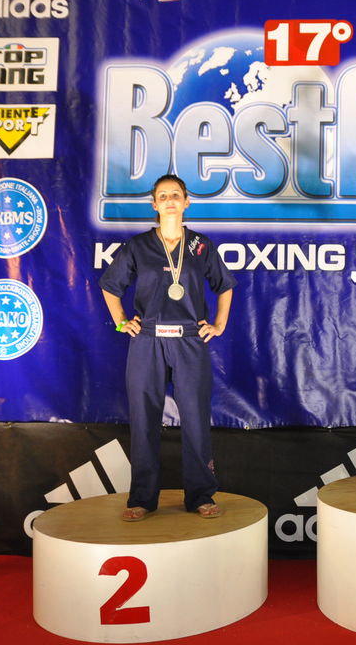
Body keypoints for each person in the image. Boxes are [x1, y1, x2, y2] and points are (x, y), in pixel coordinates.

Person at [99, 174, 236, 521]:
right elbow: (110, 286)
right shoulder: (138, 246)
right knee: (144, 419)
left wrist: (219, 324)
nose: (170, 200)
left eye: (176, 195)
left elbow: (224, 285)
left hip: (190, 339)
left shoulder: (201, 246)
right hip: (147, 339)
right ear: (154, 204)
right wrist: (121, 321)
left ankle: (201, 495)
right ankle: (142, 498)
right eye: (163, 196)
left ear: (187, 202)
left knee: (195, 419)